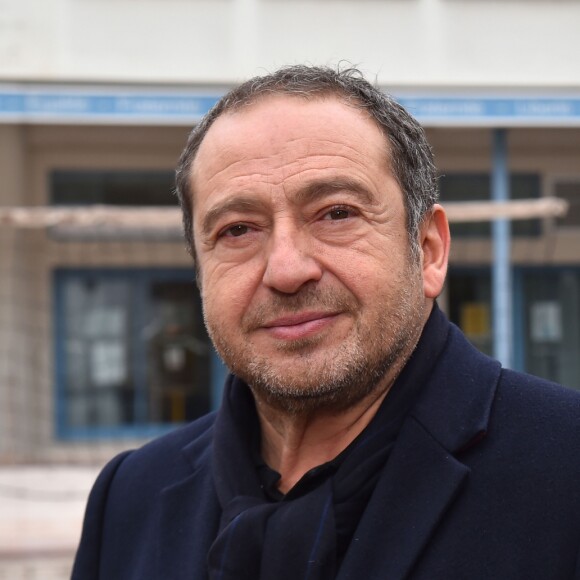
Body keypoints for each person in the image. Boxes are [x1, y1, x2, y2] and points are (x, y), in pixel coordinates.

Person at [72, 66, 580, 580]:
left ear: (428, 251)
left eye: (336, 213)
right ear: (200, 272)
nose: (287, 270)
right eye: (238, 229)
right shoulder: (130, 496)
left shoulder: (566, 466)